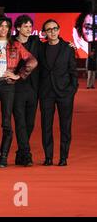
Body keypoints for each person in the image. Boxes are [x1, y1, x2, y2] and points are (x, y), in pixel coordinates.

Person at [0, 17, 37, 168]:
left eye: (7, 26)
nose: (4, 29)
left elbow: (32, 61)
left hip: (8, 86)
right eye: (1, 26)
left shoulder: (16, 45)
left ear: (10, 29)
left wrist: (18, 75)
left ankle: (4, 156)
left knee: (6, 123)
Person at [39, 19, 78, 166]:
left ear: (59, 29)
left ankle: (63, 157)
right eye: (49, 30)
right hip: (46, 93)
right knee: (46, 126)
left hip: (65, 93)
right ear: (45, 33)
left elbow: (73, 71)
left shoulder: (68, 48)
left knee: (65, 126)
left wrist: (72, 90)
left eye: (55, 28)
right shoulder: (40, 48)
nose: (52, 32)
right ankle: (48, 157)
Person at [11, 15, 41, 167]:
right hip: (16, 88)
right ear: (18, 28)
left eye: (30, 26)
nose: (29, 29)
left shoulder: (35, 41)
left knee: (30, 123)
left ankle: (20, 154)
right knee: (20, 122)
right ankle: (26, 154)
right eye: (25, 26)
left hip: (33, 87)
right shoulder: (11, 43)